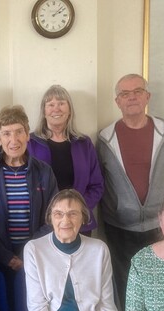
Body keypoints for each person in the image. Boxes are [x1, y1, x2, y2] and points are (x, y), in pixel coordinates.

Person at [97, 73, 164, 311]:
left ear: (147, 96)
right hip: (120, 227)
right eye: (125, 94)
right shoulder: (105, 138)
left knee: (162, 283)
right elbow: (102, 179)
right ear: (117, 102)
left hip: (160, 224)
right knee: (126, 284)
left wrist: (158, 202)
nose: (132, 97)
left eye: (137, 91)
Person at [0, 105, 57, 311]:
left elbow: (54, 216)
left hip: (36, 257)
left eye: (19, 132)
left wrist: (27, 253)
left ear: (27, 135)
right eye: (6, 134)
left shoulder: (44, 171)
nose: (14, 139)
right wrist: (7, 257)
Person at [28, 85, 104, 235]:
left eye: (61, 103)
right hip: (43, 223)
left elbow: (97, 185)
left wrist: (78, 209)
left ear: (70, 110)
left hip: (78, 222)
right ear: (44, 112)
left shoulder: (84, 143)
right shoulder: (30, 143)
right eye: (50, 105)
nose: (56, 109)